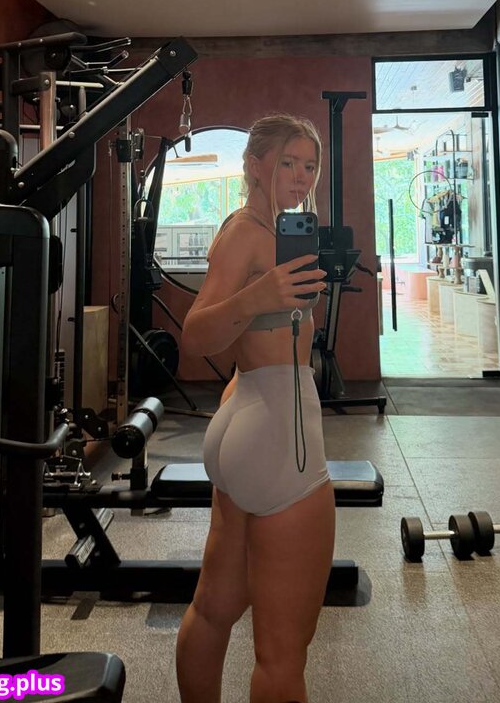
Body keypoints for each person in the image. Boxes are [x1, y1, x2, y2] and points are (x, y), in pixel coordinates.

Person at [176, 114, 335, 703]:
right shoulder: (245, 232)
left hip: (249, 414)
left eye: (309, 166)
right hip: (277, 436)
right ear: (254, 165)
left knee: (213, 608)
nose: (299, 176)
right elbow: (195, 336)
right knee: (283, 654)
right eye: (287, 162)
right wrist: (258, 295)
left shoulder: (274, 231)